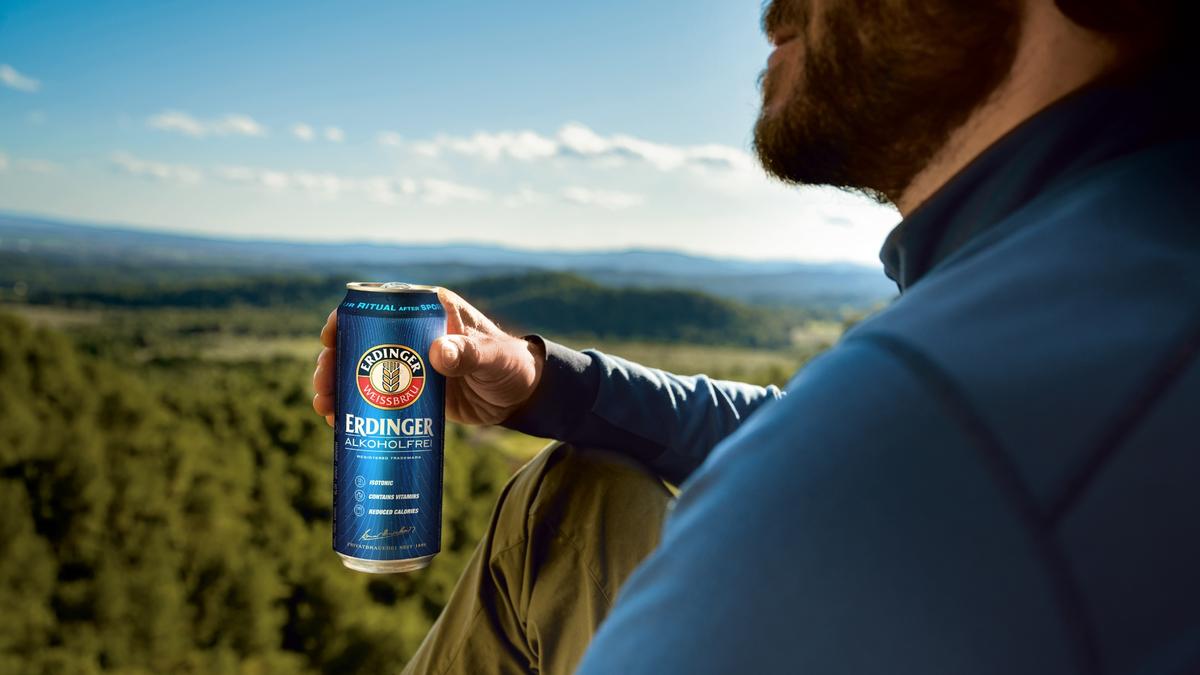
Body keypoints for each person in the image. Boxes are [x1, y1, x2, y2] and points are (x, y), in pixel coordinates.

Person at [313, 0, 1200, 672]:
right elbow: (798, 430)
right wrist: (547, 382)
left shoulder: (944, 406)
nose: (770, 8)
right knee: (574, 496)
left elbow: (851, 452)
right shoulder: (1113, 260)